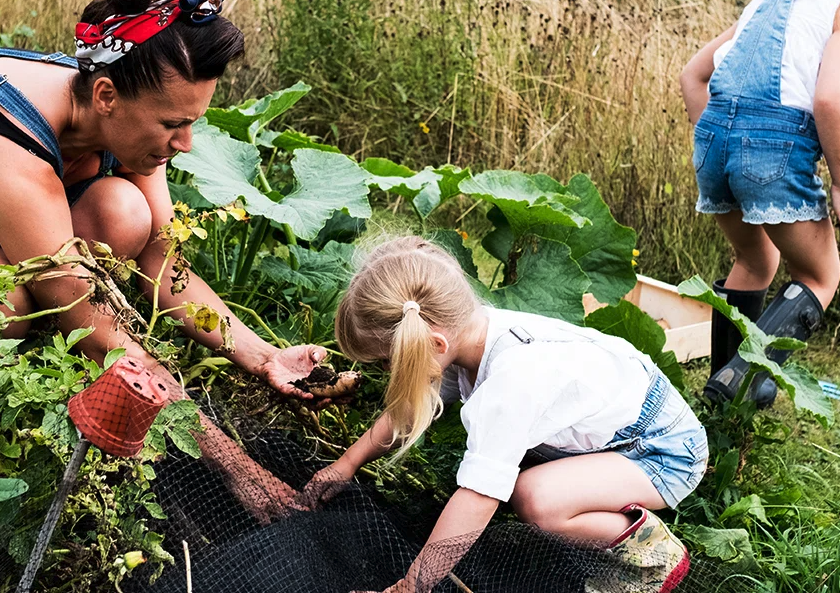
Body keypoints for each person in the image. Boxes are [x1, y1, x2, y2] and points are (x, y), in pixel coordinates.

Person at [0, 0, 328, 523]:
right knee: (12, 306)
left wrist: (263, 354)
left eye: (193, 122)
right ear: (106, 96)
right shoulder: (14, 140)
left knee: (125, 214)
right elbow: (87, 321)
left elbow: (162, 260)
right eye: (173, 124)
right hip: (14, 199)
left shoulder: (118, 108)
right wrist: (235, 465)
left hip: (32, 220)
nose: (187, 143)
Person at [303, 237, 708, 593]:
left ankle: (654, 553)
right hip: (625, 421)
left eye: (390, 361)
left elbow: (480, 496)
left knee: (534, 500)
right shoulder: (471, 336)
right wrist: (347, 464)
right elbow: (409, 411)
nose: (390, 373)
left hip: (661, 450)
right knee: (519, 477)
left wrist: (412, 586)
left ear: (433, 343)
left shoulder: (511, 381)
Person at [680, 0, 840, 405]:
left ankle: (723, 387)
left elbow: (692, 77)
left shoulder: (762, 6)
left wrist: (722, 147)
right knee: (820, 276)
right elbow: (829, 101)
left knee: (755, 260)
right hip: (773, 141)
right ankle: (738, 387)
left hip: (714, 136)